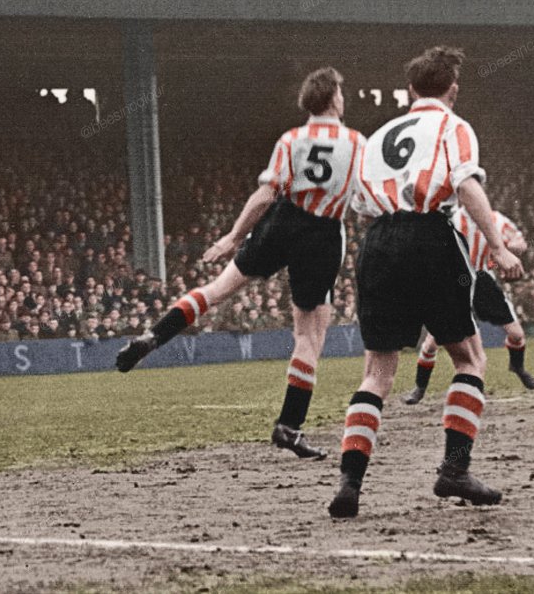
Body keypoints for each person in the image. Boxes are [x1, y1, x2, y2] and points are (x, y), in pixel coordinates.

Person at [116, 67, 364, 460]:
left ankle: (154, 335)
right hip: (322, 234)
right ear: (334, 97)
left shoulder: (291, 139)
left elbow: (266, 194)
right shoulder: (356, 142)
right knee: (309, 335)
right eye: (342, 92)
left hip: (282, 220)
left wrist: (233, 237)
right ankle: (289, 425)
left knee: (217, 289)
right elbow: (364, 197)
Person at [329, 46, 524, 518]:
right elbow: (466, 184)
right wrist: (496, 246)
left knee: (376, 372)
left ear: (410, 90)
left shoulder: (377, 136)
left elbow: (358, 202)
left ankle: (349, 484)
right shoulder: (454, 126)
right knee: (470, 358)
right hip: (430, 236)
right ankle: (454, 470)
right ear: (452, 90)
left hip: (377, 242)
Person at [404, 206, 534, 405]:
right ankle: (420, 387)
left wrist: (515, 247)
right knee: (433, 343)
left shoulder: (495, 219)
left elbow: (519, 241)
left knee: (517, 335)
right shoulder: (453, 219)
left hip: (483, 279)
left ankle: (517, 367)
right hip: (457, 281)